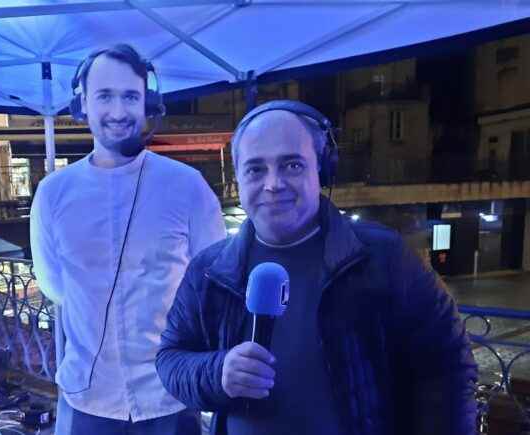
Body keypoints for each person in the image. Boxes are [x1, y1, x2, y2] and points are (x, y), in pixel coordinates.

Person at [155, 100, 478, 435]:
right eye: (255, 169)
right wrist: (217, 371)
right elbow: (170, 359)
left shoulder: (383, 256)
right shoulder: (208, 270)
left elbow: (448, 366)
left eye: (291, 165)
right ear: (237, 178)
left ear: (321, 170)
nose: (273, 184)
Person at [29, 43, 226, 435]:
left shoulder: (187, 187)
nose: (118, 112)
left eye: (130, 97)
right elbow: (54, 285)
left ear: (147, 103)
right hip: (87, 398)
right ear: (82, 102)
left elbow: (214, 287)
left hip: (169, 395)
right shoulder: (53, 193)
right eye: (105, 96)